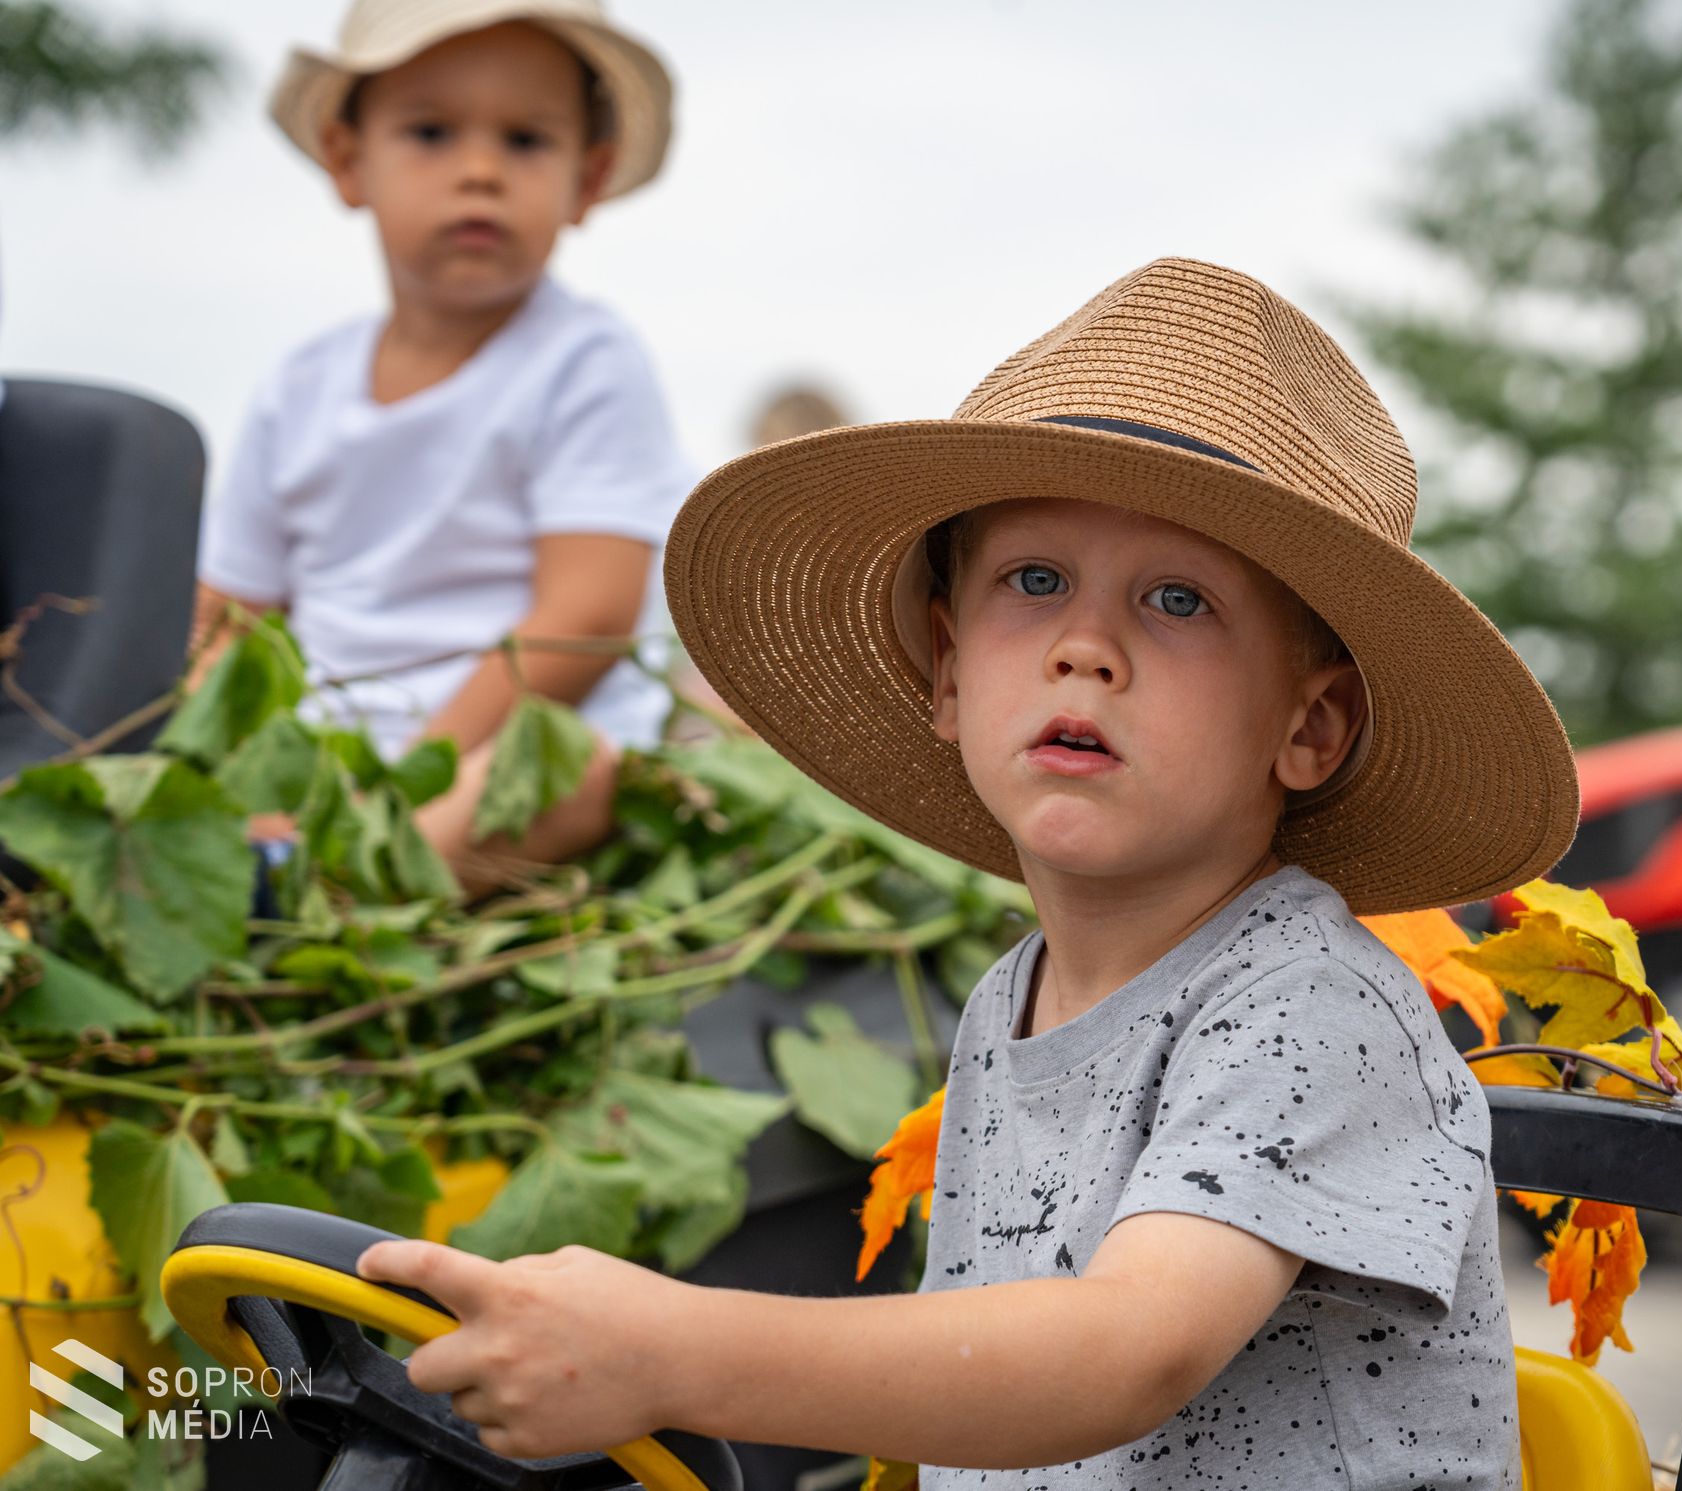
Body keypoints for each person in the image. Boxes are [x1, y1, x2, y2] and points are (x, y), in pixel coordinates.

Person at [358, 257, 1581, 1488]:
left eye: (1177, 599)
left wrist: (669, 1349)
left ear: (1311, 727)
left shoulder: (1314, 1004)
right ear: (946, 674)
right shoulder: (1010, 1000)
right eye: (1034, 582)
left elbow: (1123, 1353)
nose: (1084, 649)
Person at [190, 0, 691, 891]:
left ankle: (327, 885)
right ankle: (295, 860)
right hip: (321, 751)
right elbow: (230, 620)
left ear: (589, 178)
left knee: (579, 779)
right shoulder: (299, 387)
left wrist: (407, 775)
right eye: (430, 131)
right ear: (350, 161)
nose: (479, 171)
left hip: (499, 739)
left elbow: (585, 620)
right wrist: (245, 766)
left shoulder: (584, 361)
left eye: (526, 141)